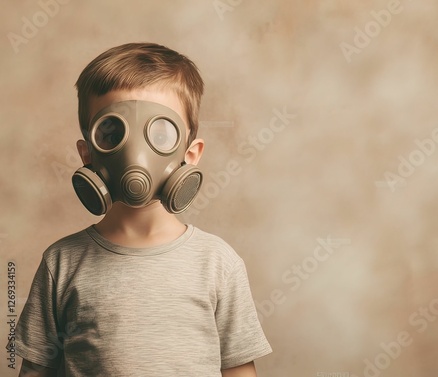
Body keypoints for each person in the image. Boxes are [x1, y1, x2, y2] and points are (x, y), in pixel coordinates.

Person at [14, 42, 272, 377]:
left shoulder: (217, 263)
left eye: (160, 133)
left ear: (190, 154)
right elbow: (36, 369)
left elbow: (239, 371)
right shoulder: (61, 262)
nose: (136, 156)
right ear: (87, 152)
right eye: (111, 132)